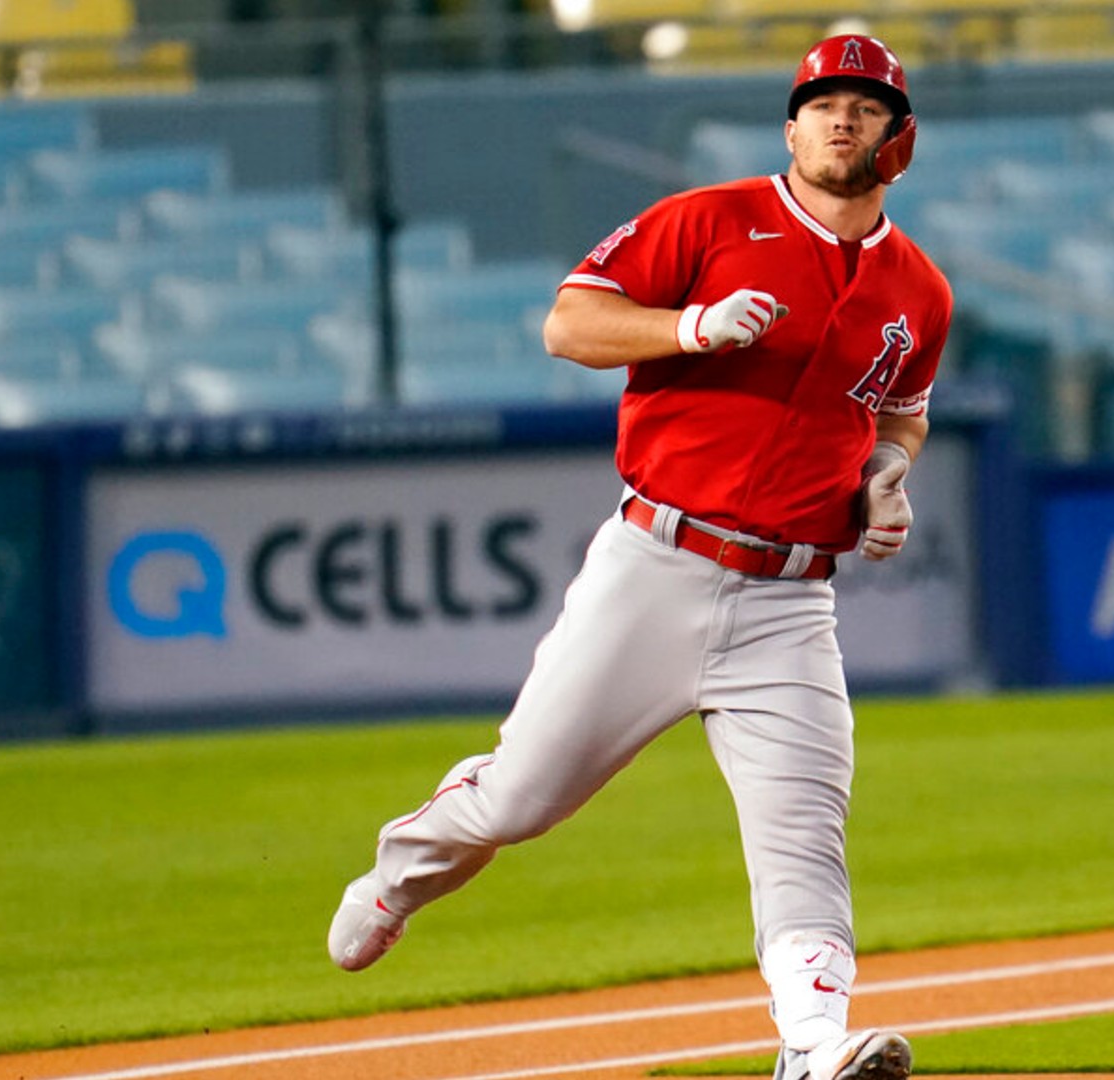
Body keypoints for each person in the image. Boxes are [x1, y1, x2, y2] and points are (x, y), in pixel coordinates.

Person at [327, 33, 951, 1080]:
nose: (842, 117)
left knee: (804, 831)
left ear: (900, 140)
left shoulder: (919, 291)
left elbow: (901, 417)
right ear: (791, 125)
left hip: (792, 601)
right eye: (822, 101)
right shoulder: (707, 220)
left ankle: (811, 1048)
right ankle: (401, 871)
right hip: (657, 563)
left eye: (866, 105)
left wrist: (886, 475)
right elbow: (570, 325)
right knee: (523, 798)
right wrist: (690, 328)